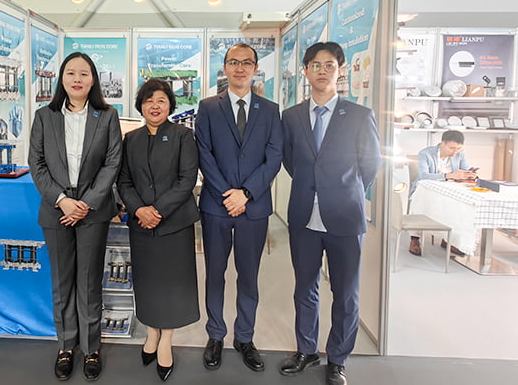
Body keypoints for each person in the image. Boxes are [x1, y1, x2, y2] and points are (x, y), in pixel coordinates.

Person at [280, 42, 381, 385]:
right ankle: (306, 350)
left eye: (329, 65)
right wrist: (314, 186)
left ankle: (337, 359)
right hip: (304, 217)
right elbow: (290, 161)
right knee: (305, 289)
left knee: (346, 294)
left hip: (345, 217)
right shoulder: (291, 116)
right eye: (315, 65)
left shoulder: (359, 115)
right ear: (305, 71)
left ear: (340, 71)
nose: (322, 71)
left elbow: (370, 164)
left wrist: (342, 189)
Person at [28, 52, 122, 382]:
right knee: (62, 282)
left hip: (93, 212)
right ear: (62, 79)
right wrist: (63, 200)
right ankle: (66, 346)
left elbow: (113, 163)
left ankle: (91, 348)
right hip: (56, 211)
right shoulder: (45, 116)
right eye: (71, 73)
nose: (77, 79)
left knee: (89, 281)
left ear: (93, 79)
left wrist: (86, 203)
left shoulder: (107, 116)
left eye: (84, 73)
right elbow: (36, 164)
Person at [194, 43, 283, 373]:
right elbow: (204, 154)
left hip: (254, 208)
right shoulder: (208, 107)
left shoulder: (270, 110)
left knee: (249, 275)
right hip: (216, 207)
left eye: (247, 62)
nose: (240, 68)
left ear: (256, 68)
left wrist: (245, 193)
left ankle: (245, 337)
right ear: (225, 68)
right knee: (215, 274)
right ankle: (215, 335)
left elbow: (274, 157)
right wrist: (227, 194)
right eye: (234, 62)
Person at [117, 78, 200, 382]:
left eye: (161, 100)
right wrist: (139, 210)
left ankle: (167, 339)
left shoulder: (183, 136)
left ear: (170, 106)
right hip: (141, 224)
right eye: (149, 100)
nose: (155, 106)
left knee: (173, 283)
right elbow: (123, 180)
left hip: (174, 223)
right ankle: (152, 332)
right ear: (140, 106)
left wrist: (158, 211)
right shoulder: (131, 139)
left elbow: (186, 179)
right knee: (148, 281)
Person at [408, 130, 476, 256]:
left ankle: (449, 240)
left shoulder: (459, 154)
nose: (455, 152)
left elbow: (465, 169)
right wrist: (449, 175)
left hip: (449, 190)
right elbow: (424, 176)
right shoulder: (425, 153)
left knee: (459, 206)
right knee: (419, 202)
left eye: (458, 149)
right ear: (442, 143)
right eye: (452, 148)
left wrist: (470, 174)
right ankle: (415, 238)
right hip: (426, 189)